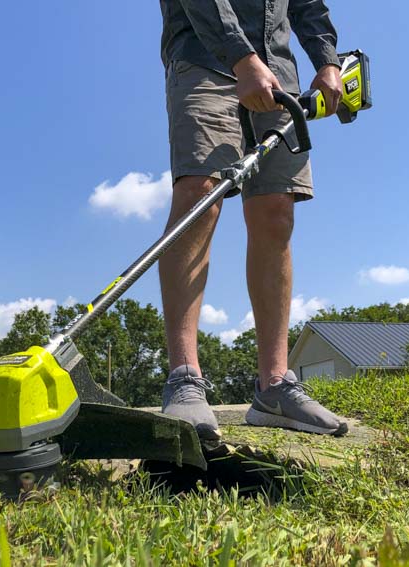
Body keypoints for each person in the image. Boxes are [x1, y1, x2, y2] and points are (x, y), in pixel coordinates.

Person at [158, 0, 348, 439]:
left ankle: (274, 386)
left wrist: (327, 61)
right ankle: (184, 378)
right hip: (205, 59)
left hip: (278, 72)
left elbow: (306, 5)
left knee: (276, 210)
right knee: (200, 193)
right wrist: (242, 58)